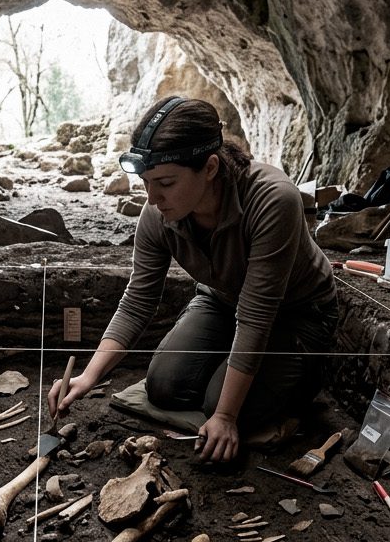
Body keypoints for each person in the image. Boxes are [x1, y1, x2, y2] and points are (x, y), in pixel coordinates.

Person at [47, 96, 338, 462]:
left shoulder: (272, 200)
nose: (152, 198)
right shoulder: (160, 213)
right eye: (146, 183)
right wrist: (88, 378)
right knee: (164, 386)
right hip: (221, 301)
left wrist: (226, 417)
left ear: (210, 167)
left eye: (165, 183)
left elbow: (256, 315)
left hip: (298, 312)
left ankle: (300, 379)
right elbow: (138, 301)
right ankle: (239, 380)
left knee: (225, 406)